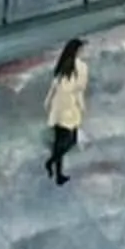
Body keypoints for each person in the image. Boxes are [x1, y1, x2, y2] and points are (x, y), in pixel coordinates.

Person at [42, 37, 87, 185]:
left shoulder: (62, 64)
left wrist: (48, 101)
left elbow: (54, 85)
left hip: (58, 106)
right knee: (71, 140)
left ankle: (58, 175)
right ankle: (51, 162)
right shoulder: (81, 67)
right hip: (69, 107)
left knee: (59, 142)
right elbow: (79, 90)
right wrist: (82, 106)